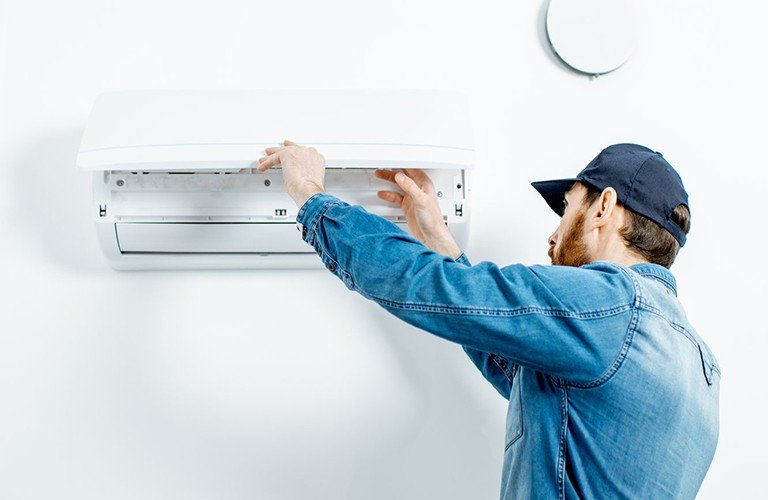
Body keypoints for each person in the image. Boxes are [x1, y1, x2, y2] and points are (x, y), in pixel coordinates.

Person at [257, 141, 720, 498]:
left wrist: (311, 197)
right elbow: (531, 383)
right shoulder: (700, 367)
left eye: (567, 209)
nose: (554, 234)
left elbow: (428, 286)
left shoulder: (609, 305)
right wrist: (438, 238)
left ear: (602, 208)